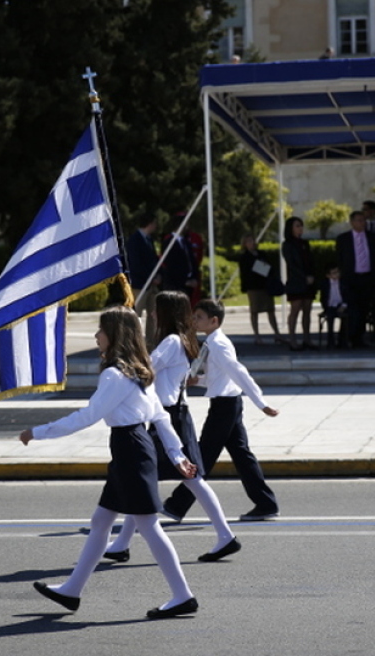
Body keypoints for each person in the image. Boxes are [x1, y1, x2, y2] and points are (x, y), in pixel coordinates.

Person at [20, 306, 199, 619]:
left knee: (148, 525)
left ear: (114, 334)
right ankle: (72, 590)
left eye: (100, 330)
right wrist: (176, 454)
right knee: (101, 521)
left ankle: (182, 595)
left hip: (130, 449)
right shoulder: (139, 370)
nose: (96, 336)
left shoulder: (116, 374)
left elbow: (88, 416)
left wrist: (38, 432)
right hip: (132, 448)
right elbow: (159, 417)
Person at [104, 292, 241, 563]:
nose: (153, 314)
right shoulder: (182, 339)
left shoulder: (170, 341)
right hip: (172, 414)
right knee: (160, 479)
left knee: (168, 478)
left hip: (167, 417)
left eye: (156, 310)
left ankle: (225, 536)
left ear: (166, 312)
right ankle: (121, 544)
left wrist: (121, 347)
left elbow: (145, 368)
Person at [163, 299, 281, 522]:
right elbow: (219, 377)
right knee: (241, 455)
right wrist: (196, 382)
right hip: (227, 402)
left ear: (213, 320)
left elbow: (238, 373)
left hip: (225, 406)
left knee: (204, 455)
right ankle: (266, 503)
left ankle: (176, 505)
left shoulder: (218, 344)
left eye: (199, 317)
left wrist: (261, 402)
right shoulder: (213, 342)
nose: (194, 321)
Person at [337, 210, 375, 348]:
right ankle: (344, 338)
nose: (361, 223)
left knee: (363, 309)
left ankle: (358, 339)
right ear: (352, 222)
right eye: (358, 220)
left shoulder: (373, 237)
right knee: (351, 309)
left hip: (367, 278)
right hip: (351, 278)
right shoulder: (343, 239)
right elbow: (340, 259)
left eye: (363, 220)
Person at [238, 234, 285, 346]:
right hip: (253, 287)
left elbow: (269, 268)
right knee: (254, 311)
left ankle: (277, 334)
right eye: (249, 241)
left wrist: (262, 268)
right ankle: (257, 336)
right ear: (245, 244)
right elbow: (248, 271)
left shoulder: (262, 254)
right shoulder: (244, 257)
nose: (252, 243)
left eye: (253, 240)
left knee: (270, 310)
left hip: (265, 286)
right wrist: (261, 268)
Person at [282, 216, 317, 350]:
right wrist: (303, 277)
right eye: (297, 226)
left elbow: (311, 262)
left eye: (301, 225)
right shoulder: (287, 245)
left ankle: (307, 339)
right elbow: (292, 264)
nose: (300, 228)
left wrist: (312, 276)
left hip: (308, 281)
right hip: (296, 282)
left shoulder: (305, 243)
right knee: (295, 310)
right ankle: (292, 340)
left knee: (307, 310)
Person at [126, 216, 161, 345]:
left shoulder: (149, 239)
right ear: (149, 223)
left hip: (152, 285)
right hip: (139, 284)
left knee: (153, 315)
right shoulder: (134, 240)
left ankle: (150, 343)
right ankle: (133, 343)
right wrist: (149, 277)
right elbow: (135, 264)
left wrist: (157, 276)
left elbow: (153, 261)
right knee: (136, 314)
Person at [319, 265, 349, 349]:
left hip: (341, 305)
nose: (337, 274)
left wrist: (344, 305)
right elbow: (323, 298)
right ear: (328, 275)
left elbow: (347, 295)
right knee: (330, 318)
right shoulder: (325, 284)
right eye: (334, 273)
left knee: (345, 318)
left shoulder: (343, 282)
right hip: (330, 306)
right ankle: (330, 341)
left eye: (337, 272)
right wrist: (326, 307)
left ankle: (342, 341)